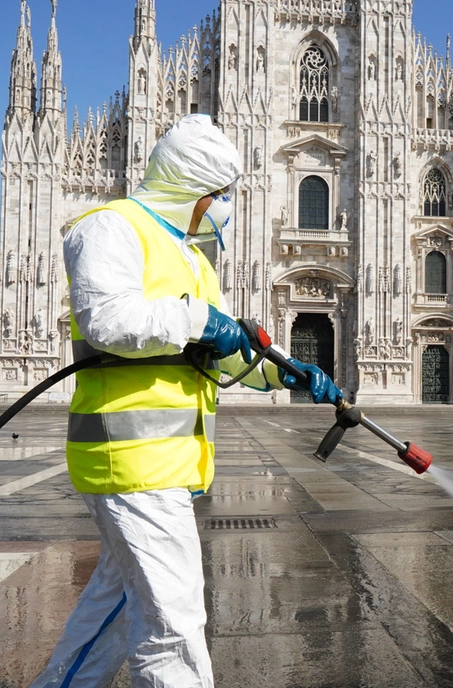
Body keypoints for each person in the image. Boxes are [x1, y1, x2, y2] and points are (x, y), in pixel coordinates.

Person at [31, 114, 341, 688]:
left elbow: (213, 357)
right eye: (220, 195)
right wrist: (200, 318)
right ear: (189, 187)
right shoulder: (111, 226)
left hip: (168, 463)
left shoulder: (194, 259)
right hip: (129, 459)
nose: (225, 207)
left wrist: (283, 376)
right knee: (173, 622)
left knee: (123, 600)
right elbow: (107, 319)